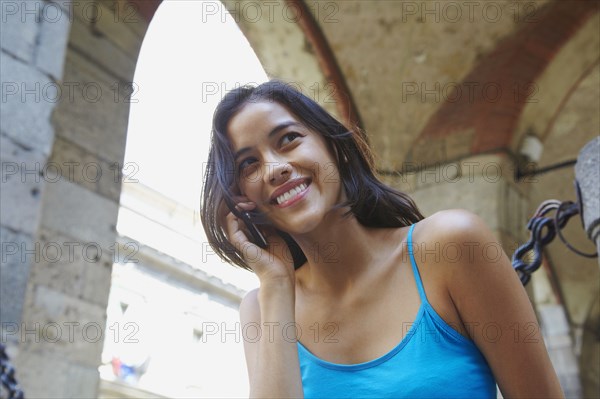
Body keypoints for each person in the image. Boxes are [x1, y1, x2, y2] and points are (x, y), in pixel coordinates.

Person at [200, 80, 564, 398]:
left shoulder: (450, 245)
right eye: (248, 164)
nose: (275, 168)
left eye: (289, 139)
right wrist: (277, 283)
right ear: (242, 198)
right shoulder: (261, 309)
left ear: (334, 149)